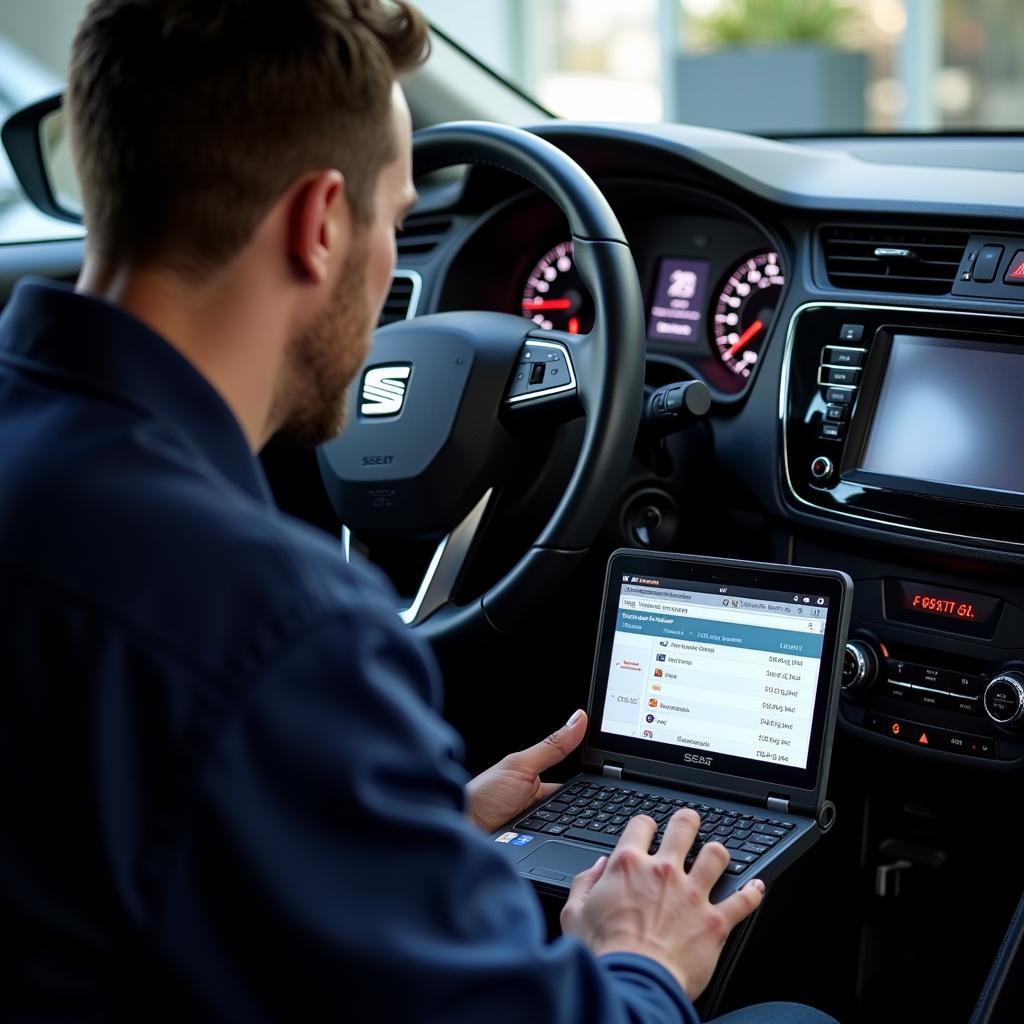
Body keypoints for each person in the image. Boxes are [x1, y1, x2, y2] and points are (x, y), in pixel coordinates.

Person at [0, 2, 837, 1022]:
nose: (396, 266)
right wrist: (637, 958)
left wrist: (405, 816)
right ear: (317, 224)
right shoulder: (283, 631)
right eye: (396, 218)